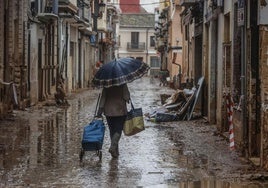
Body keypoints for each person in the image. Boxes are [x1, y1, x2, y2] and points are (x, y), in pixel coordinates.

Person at [97, 84, 130, 158]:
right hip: (120, 111)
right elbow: (126, 97)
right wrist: (128, 97)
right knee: (118, 130)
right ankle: (113, 147)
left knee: (112, 131)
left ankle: (115, 152)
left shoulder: (107, 84)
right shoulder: (123, 84)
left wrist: (100, 110)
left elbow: (103, 98)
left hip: (108, 112)